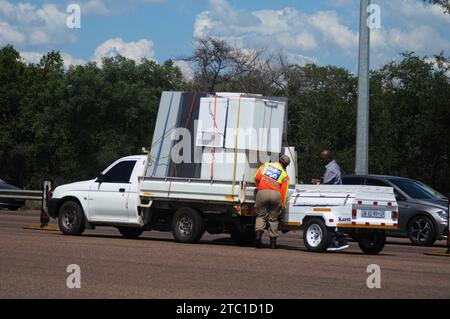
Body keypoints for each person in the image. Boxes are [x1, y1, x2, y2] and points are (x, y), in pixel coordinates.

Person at [312, 150, 349, 251]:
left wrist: (317, 184)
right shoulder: (333, 167)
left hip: (332, 197)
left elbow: (327, 185)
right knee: (331, 220)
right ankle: (335, 242)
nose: (321, 160)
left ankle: (340, 241)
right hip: (335, 196)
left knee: (330, 220)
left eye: (322, 158)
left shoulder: (331, 169)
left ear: (328, 158)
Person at [254, 155, 290, 249]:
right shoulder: (284, 174)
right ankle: (273, 243)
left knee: (261, 216)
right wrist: (282, 203)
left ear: (278, 160)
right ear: (285, 166)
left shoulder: (265, 165)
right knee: (273, 219)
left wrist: (260, 188)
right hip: (276, 195)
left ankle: (258, 239)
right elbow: (284, 190)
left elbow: (256, 178)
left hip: (262, 192)